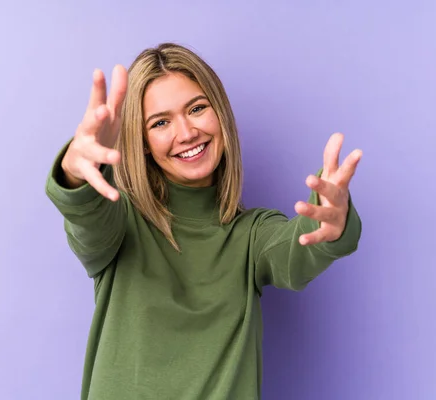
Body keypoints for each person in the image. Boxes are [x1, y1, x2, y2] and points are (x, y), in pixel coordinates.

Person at [45, 42, 362, 400]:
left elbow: (296, 250)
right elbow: (87, 218)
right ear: (144, 141)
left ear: (220, 114)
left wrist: (331, 222)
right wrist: (76, 172)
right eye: (161, 122)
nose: (186, 133)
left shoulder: (252, 235)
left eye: (196, 108)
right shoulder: (120, 220)